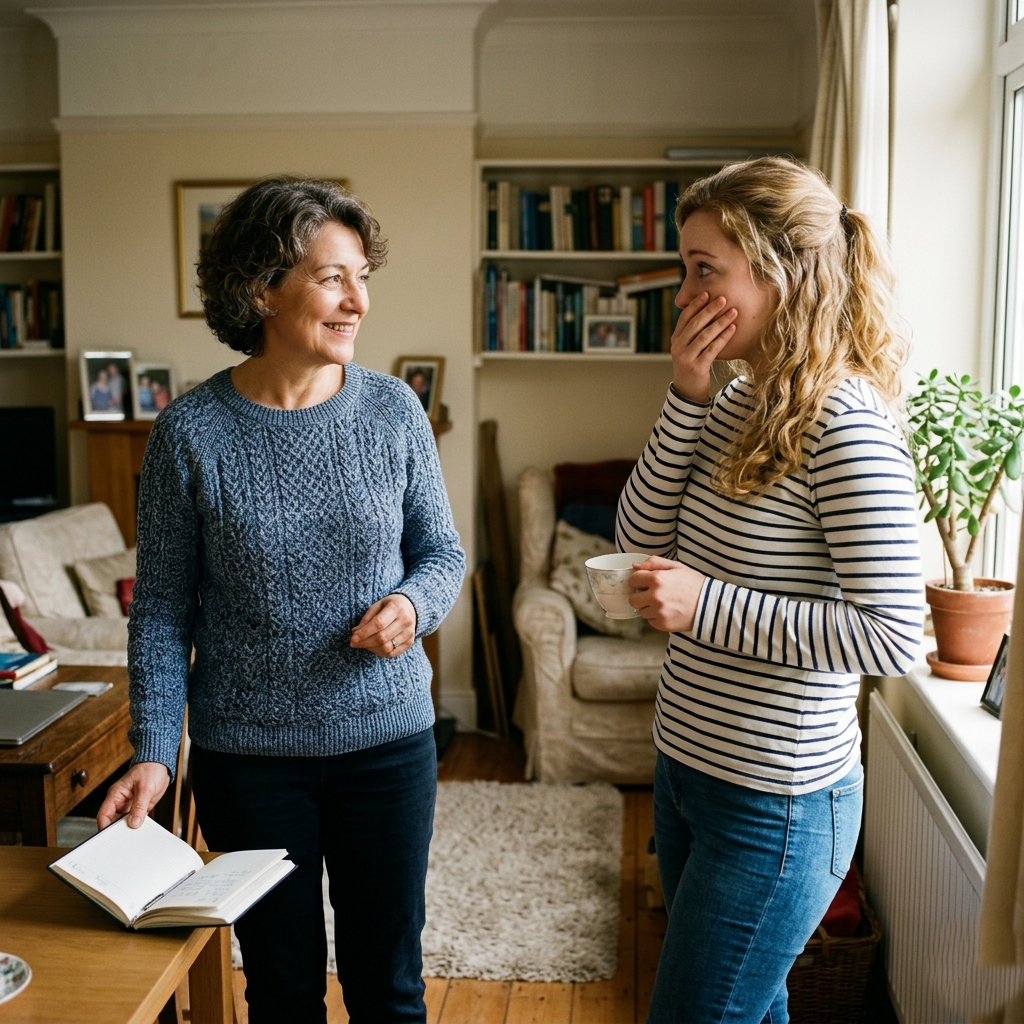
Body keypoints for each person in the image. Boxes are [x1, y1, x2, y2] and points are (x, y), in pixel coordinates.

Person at [97, 177, 466, 1024]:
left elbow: (441, 555)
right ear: (262, 288)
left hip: (388, 749)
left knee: (390, 987)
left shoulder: (394, 412)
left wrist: (414, 605)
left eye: (363, 277)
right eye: (334, 278)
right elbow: (159, 610)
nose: (358, 301)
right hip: (249, 761)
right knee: (282, 989)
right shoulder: (189, 433)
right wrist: (156, 749)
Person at [616, 157, 923, 1024]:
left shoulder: (847, 424)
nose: (684, 293)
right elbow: (638, 541)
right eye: (685, 268)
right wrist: (684, 394)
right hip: (685, 772)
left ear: (782, 271)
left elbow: (894, 635)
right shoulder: (733, 395)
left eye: (704, 269)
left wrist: (705, 605)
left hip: (776, 806)